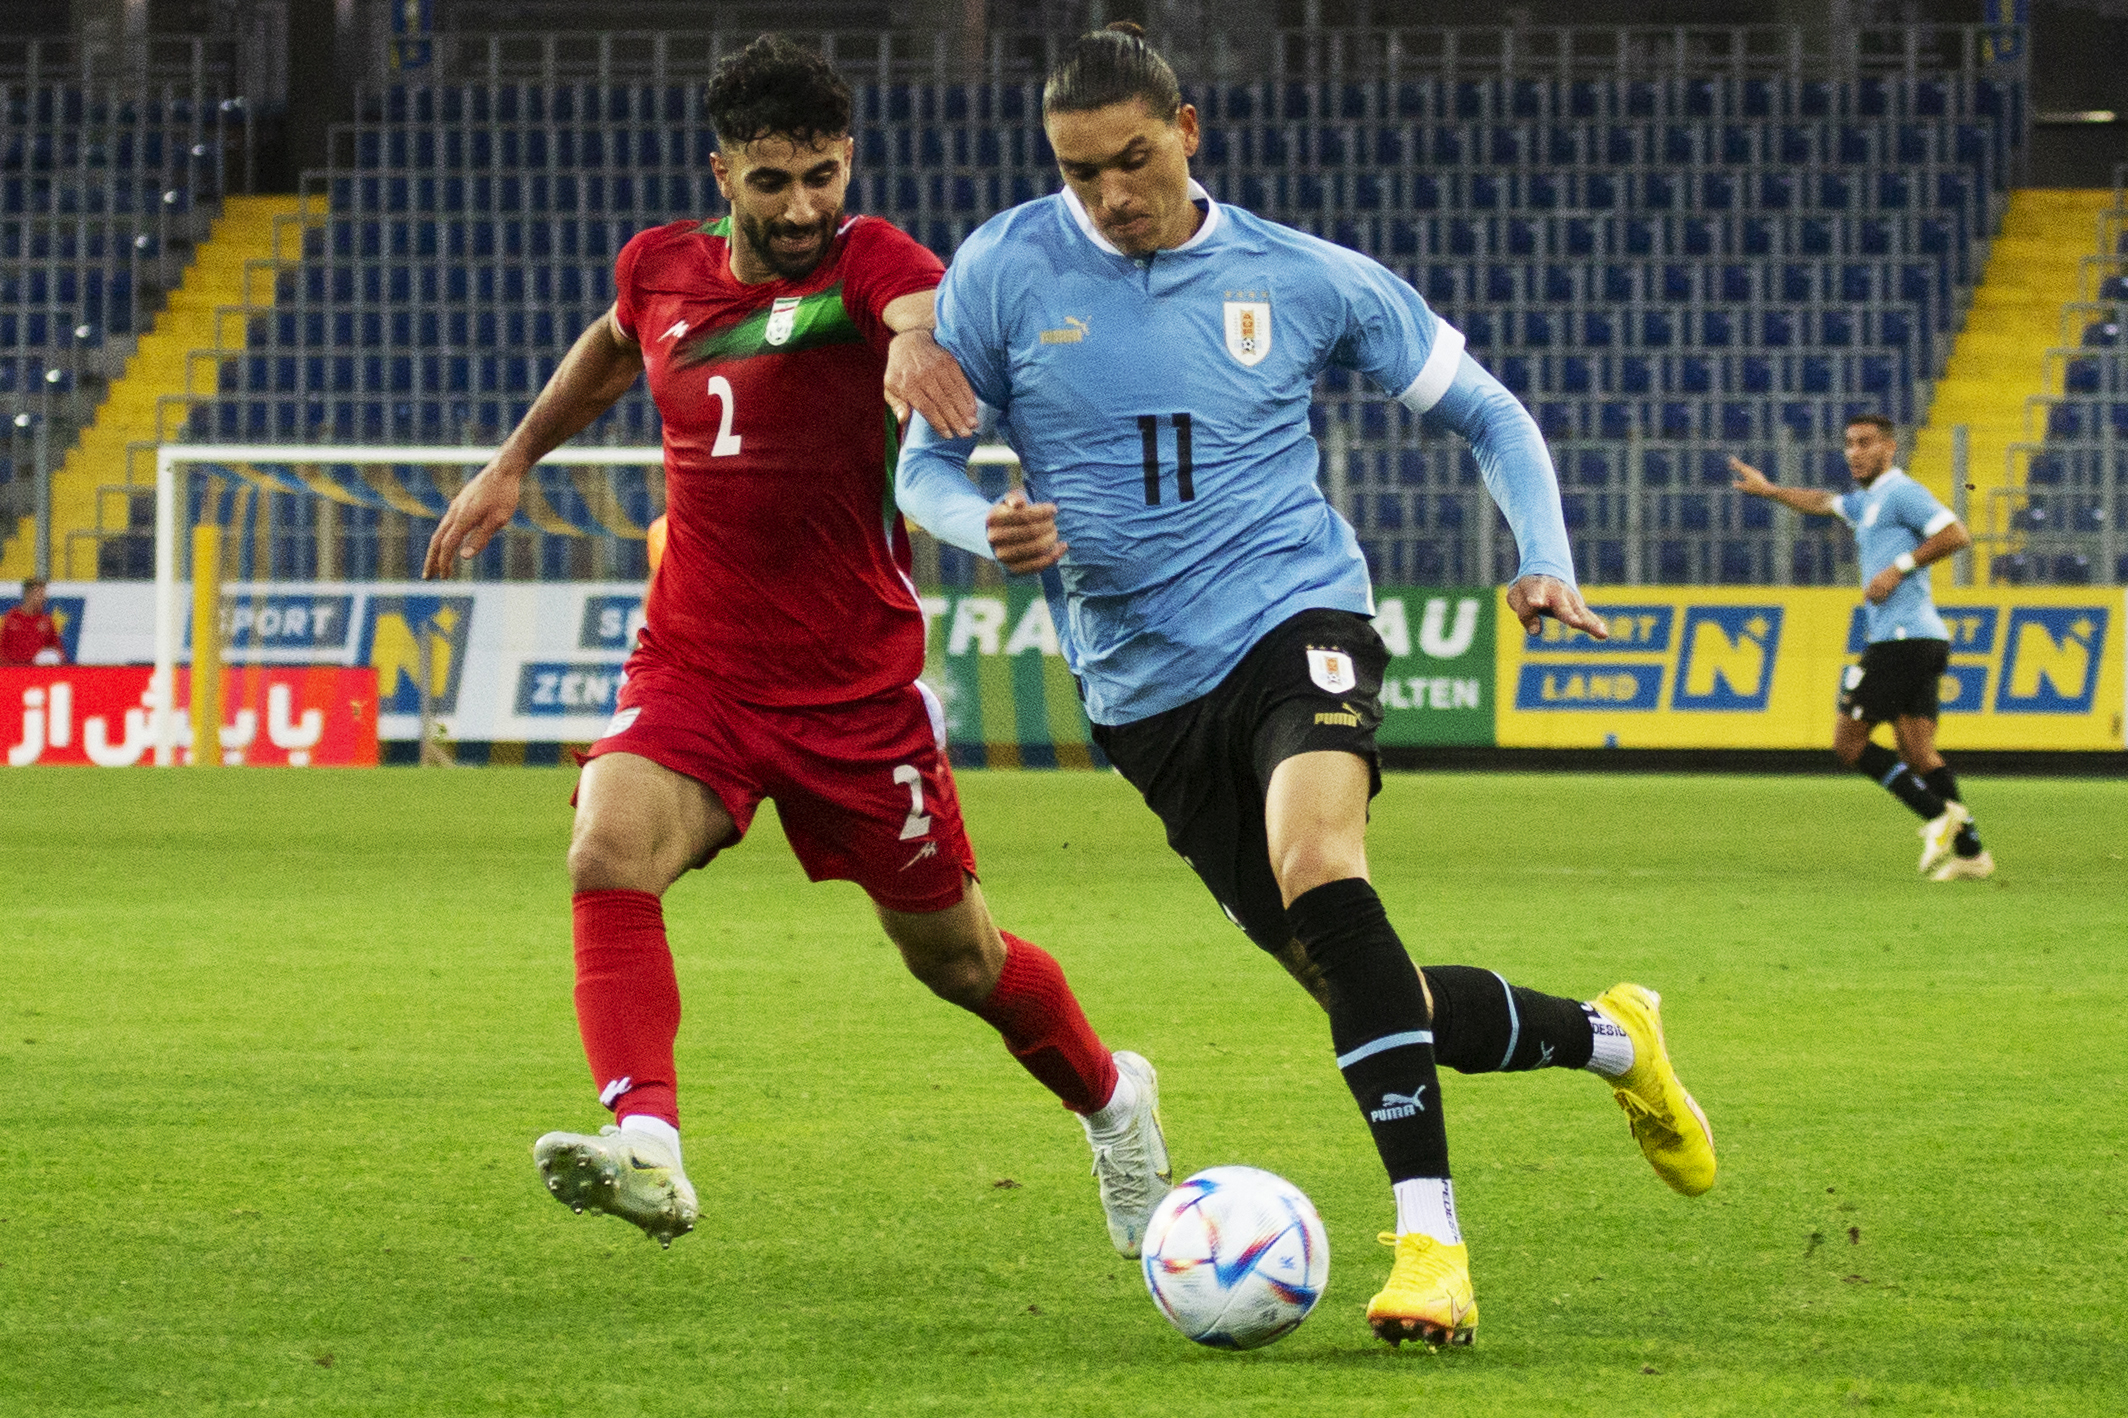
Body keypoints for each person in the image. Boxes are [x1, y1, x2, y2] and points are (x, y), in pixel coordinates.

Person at [895, 24, 1717, 1348]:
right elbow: (916, 465)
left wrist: (1544, 556)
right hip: (1141, 692)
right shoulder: (1001, 269)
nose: (1110, 193)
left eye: (1134, 158)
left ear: (1189, 130)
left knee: (1321, 864)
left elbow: (1490, 414)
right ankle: (1615, 1039)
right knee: (1361, 979)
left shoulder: (1303, 276)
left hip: (1297, 612)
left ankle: (1432, 1247)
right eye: (1078, 170)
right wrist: (971, 514)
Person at [422, 35, 1170, 1257]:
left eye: (822, 175)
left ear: (848, 161)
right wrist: (515, 459)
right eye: (773, 182)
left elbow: (914, 308)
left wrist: (919, 345)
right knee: (606, 847)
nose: (803, 207)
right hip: (696, 666)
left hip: (853, 695)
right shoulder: (657, 270)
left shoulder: (875, 262)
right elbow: (616, 344)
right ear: (722, 172)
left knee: (961, 961)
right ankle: (649, 1151)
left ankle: (1112, 1098)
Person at [1731, 415, 1993, 881]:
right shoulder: (1867, 501)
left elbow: (1955, 534)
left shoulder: (1901, 491)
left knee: (1848, 743)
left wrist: (1898, 568)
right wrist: (1771, 491)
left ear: (1889, 448)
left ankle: (1938, 816)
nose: (1854, 452)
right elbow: (1822, 501)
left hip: (1903, 641)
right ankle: (1972, 854)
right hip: (1917, 638)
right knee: (1918, 752)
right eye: (1849, 443)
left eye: (1865, 443)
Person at [1, 578, 66, 666]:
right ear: (28, 595)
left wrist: (55, 658)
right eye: (40, 595)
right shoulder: (12, 617)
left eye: (44, 595)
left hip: (36, 671)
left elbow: (57, 648)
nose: (44, 599)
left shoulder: (46, 620)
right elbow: (2, 646)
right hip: (14, 670)